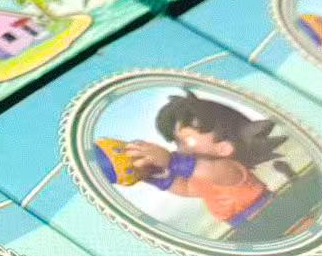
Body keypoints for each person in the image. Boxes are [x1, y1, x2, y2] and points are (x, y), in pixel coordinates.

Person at [119, 91, 290, 228]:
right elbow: (186, 188)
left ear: (223, 148)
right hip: (243, 224)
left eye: (187, 140)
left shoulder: (228, 168)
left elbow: (202, 169)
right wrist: (155, 176)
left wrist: (171, 161)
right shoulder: (202, 176)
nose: (181, 149)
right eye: (178, 143)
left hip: (270, 213)